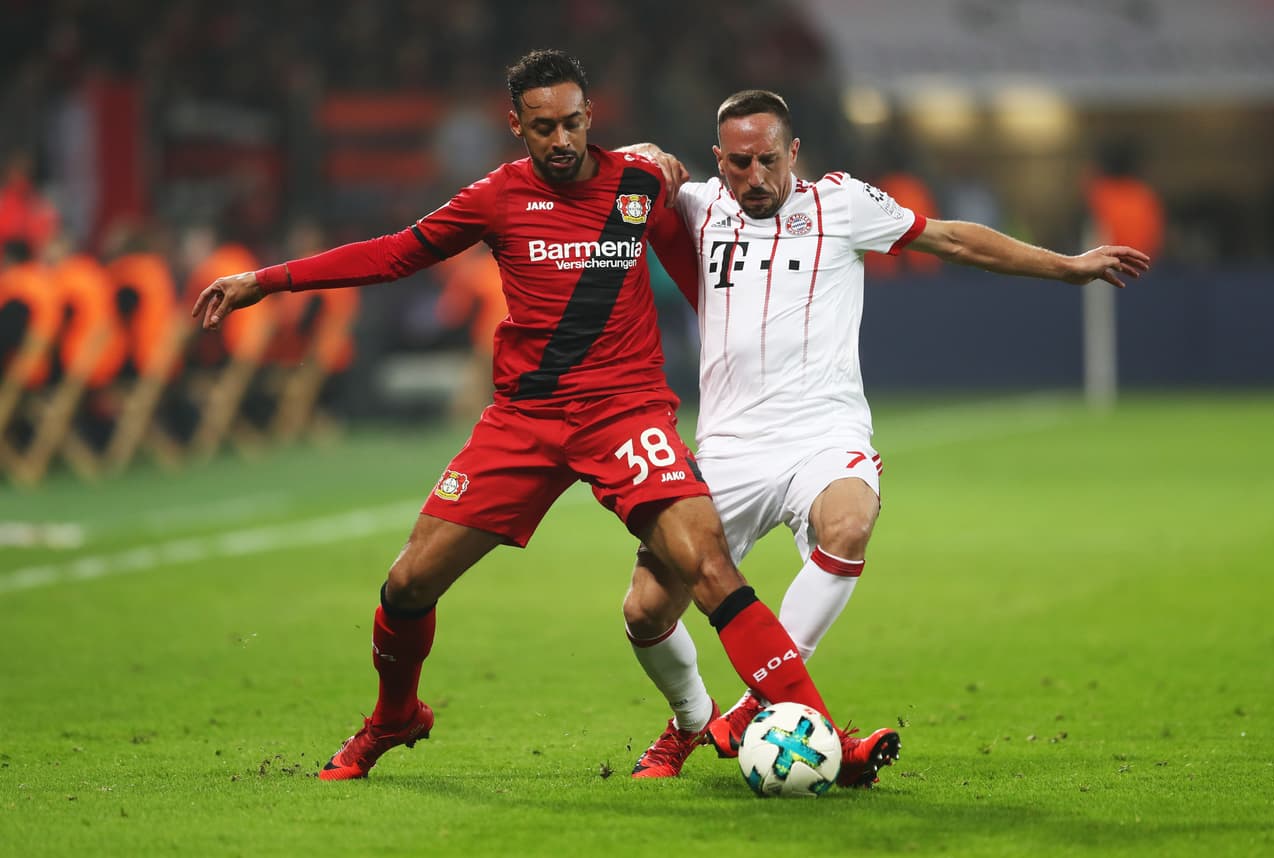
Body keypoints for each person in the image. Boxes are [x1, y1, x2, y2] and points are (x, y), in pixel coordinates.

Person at [192, 53, 883, 786]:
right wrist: (266, 280)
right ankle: (395, 715)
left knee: (709, 567)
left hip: (625, 414)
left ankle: (826, 738)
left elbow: (703, 274)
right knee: (406, 586)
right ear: (515, 124)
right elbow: (395, 255)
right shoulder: (496, 197)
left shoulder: (641, 182)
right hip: (524, 422)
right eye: (544, 126)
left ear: (592, 116)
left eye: (574, 122)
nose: (561, 140)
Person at [621, 90, 1150, 781]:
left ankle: (760, 699)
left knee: (849, 522)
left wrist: (1067, 265)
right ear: (718, 160)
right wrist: (641, 157)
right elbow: (623, 175)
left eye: (769, 161)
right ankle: (690, 720)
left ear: (795, 153)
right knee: (644, 613)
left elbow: (953, 238)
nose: (754, 178)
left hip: (823, 431)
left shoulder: (843, 205)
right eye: (740, 163)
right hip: (728, 448)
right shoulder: (697, 207)